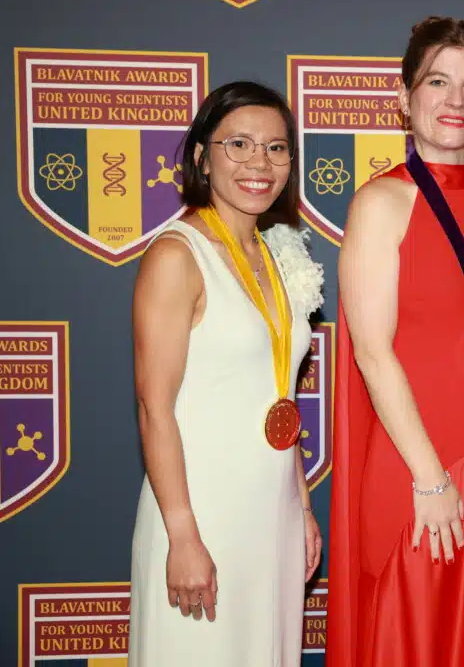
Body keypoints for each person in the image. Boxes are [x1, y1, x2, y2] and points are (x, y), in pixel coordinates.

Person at [325, 16, 464, 667]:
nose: (456, 101)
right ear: (404, 98)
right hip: (417, 468)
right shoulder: (381, 204)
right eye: (438, 82)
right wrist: (429, 478)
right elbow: (372, 350)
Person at [128, 81, 325, 665]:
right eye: (237, 144)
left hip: (272, 514)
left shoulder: (277, 252)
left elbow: (276, 397)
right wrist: (183, 536)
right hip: (200, 513)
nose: (259, 163)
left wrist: (303, 506)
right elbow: (153, 408)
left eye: (277, 148)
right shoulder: (176, 256)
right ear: (200, 158)